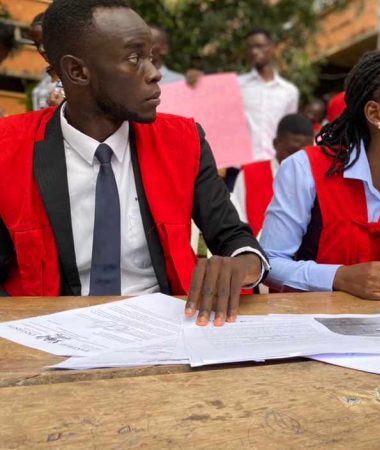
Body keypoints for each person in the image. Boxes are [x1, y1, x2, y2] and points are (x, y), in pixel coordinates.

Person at [0, 0, 269, 326]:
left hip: (168, 328)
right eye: (134, 58)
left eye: (152, 58)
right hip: (51, 333)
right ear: (78, 71)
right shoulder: (9, 147)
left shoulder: (183, 140)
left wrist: (241, 265)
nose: (155, 73)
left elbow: (235, 239)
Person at [260, 48, 380, 300]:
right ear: (375, 113)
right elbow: (269, 262)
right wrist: (339, 277)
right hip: (304, 326)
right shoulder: (304, 169)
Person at [231, 112, 314, 236]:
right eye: (291, 152)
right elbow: (237, 222)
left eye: (304, 154)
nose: (297, 160)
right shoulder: (250, 175)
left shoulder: (316, 179)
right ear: (276, 143)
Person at [238, 28, 299, 161]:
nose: (254, 51)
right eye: (250, 48)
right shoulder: (237, 86)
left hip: (276, 165)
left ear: (272, 47)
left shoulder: (289, 91)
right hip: (243, 165)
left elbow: (289, 131)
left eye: (259, 46)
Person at [29, 13, 64, 111]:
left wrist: (60, 109)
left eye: (45, 42)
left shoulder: (77, 75)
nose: (41, 49)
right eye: (36, 45)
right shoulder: (46, 76)